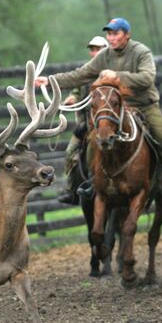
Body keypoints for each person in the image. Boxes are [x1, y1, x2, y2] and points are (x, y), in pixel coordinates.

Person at [36, 17, 162, 197]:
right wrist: (50, 80)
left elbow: (147, 78)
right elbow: (80, 74)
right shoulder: (104, 55)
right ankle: (92, 180)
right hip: (115, 107)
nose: (111, 38)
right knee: (92, 139)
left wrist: (116, 75)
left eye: (115, 33)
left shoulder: (141, 52)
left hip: (144, 105)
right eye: (109, 34)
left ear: (127, 35)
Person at [57, 36, 109, 205]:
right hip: (87, 124)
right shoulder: (86, 71)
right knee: (70, 152)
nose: (94, 52)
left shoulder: (114, 71)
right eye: (92, 49)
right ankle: (72, 190)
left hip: (110, 124)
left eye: (98, 49)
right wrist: (72, 98)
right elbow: (77, 91)